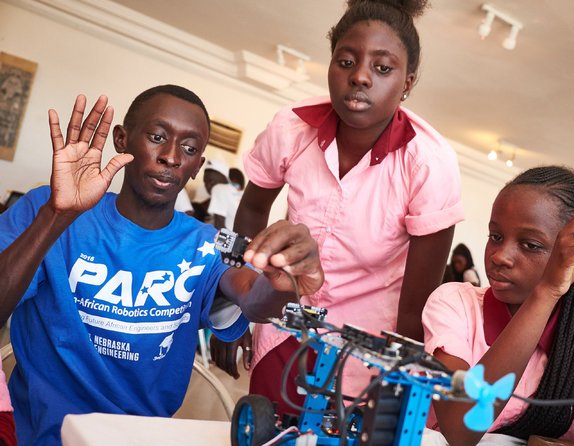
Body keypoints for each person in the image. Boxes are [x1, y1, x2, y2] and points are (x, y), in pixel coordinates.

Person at [0, 85, 323, 445]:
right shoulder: (47, 208)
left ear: (197, 166)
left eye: (189, 149)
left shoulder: (203, 242)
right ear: (122, 139)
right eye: (157, 137)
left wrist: (281, 281)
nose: (171, 157)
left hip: (140, 437)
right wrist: (57, 216)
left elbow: (251, 296)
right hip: (38, 434)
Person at [211, 0, 464, 415]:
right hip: (283, 329)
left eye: (383, 68)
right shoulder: (291, 128)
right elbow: (253, 211)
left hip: (363, 350)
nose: (360, 76)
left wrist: (395, 389)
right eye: (346, 61)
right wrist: (243, 306)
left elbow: (417, 304)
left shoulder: (429, 163)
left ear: (408, 83)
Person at [422, 166, 574, 445]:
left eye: (530, 245)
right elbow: (460, 428)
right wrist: (547, 291)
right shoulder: (456, 304)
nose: (500, 256)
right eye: (495, 237)